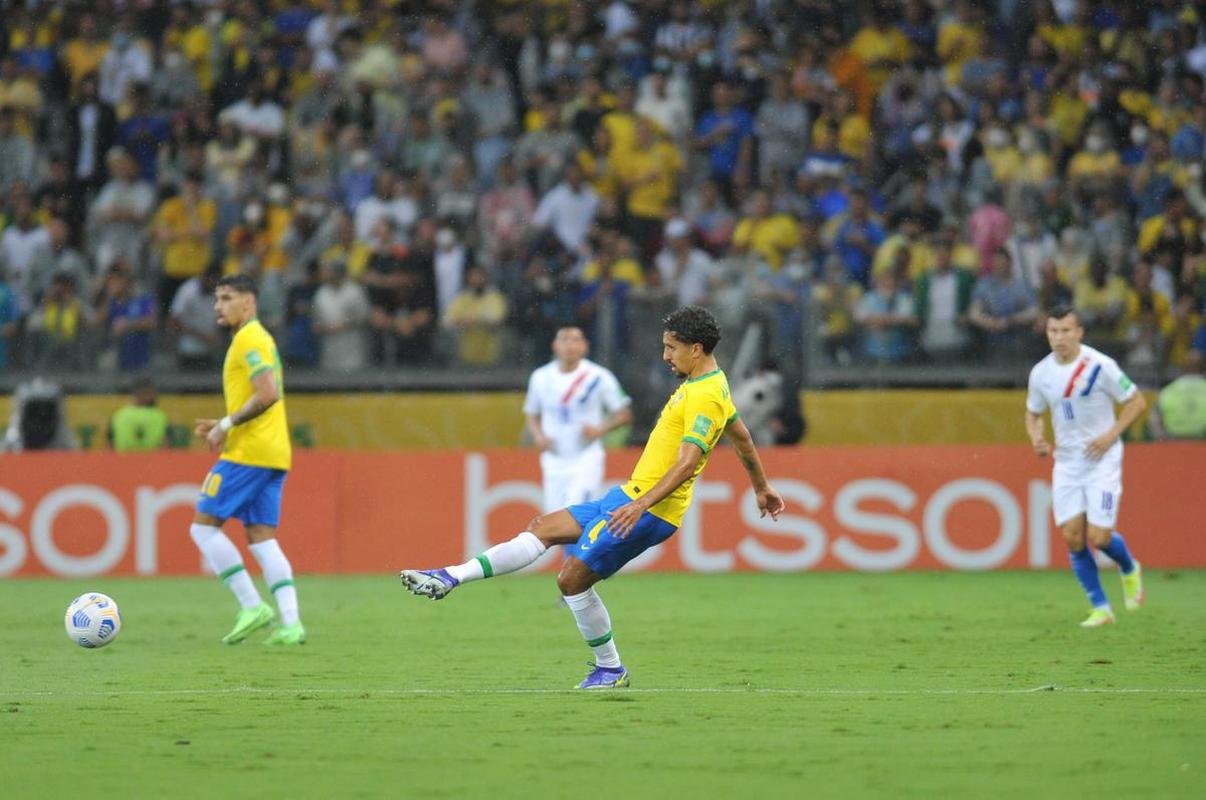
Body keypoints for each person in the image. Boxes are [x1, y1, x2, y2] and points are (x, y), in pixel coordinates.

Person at [401, 307, 785, 688]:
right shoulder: (710, 385)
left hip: (649, 511)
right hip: (626, 497)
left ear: (696, 348)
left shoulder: (705, 397)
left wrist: (639, 506)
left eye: (671, 348)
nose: (665, 356)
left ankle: (610, 669)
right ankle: (451, 576)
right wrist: (762, 487)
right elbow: (743, 438)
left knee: (571, 582)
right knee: (543, 527)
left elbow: (687, 464)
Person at [190, 274, 305, 646]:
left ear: (249, 302)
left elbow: (268, 393)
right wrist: (222, 423)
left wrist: (225, 424)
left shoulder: (250, 338)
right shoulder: (257, 339)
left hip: (250, 452)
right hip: (272, 452)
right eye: (216, 299)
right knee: (261, 538)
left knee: (203, 527)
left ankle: (252, 605)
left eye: (226, 298)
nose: (218, 306)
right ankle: (291, 624)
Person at [1024, 306, 1147, 628]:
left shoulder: (1100, 366)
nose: (1059, 337)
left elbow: (1136, 401)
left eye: (1066, 330)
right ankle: (1101, 608)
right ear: (1047, 333)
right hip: (1066, 462)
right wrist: (1037, 438)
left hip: (1102, 459)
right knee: (1073, 537)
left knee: (1100, 536)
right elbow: (1033, 413)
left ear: (1080, 332)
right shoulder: (1041, 373)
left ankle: (1129, 566)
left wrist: (1111, 435)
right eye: (1053, 331)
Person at [523, 326, 634, 513]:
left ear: (585, 346)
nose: (570, 345)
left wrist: (600, 429)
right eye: (564, 340)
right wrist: (538, 436)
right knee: (554, 520)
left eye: (575, 340)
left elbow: (624, 414)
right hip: (553, 459)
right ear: (555, 345)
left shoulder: (598, 377)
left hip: (585, 458)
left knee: (575, 514)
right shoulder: (540, 377)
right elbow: (532, 413)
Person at [108, 375, 169, 452]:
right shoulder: (159, 415)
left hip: (123, 461)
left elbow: (110, 446)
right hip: (152, 462)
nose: (155, 397)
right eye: (151, 393)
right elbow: (165, 445)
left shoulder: (119, 415)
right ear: (140, 394)